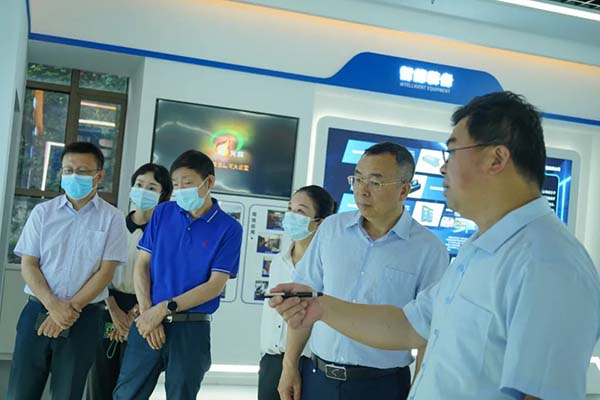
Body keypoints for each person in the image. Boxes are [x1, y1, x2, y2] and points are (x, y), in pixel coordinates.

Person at [272, 92, 600, 400]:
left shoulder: (549, 263)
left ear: (496, 158)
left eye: (453, 152)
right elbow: (409, 325)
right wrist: (322, 308)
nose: (443, 167)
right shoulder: (479, 251)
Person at [277, 142, 449, 400]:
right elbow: (304, 300)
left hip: (382, 386)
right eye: (357, 179)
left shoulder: (428, 249)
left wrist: (418, 391)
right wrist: (289, 365)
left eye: (375, 182)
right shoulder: (331, 229)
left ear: (404, 190)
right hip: (319, 379)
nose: (362, 190)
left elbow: (429, 330)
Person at [113, 150, 243, 400]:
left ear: (209, 182)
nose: (181, 189)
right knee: (126, 394)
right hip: (148, 321)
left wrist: (162, 310)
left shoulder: (229, 228)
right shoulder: (163, 213)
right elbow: (142, 265)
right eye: (176, 184)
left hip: (190, 328)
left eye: (188, 183)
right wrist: (148, 312)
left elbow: (215, 285)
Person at [7, 142, 128, 400]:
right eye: (68, 170)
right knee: (20, 392)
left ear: (99, 175)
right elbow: (29, 264)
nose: (74, 176)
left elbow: (105, 274)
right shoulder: (43, 212)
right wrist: (54, 307)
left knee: (68, 393)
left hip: (84, 318)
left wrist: (68, 311)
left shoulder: (112, 218)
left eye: (82, 171)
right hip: (38, 311)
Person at [85, 163, 173, 399]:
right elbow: (96, 271)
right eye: (139, 185)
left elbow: (166, 276)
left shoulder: (166, 233)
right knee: (100, 378)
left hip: (145, 310)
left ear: (163, 194)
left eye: (151, 188)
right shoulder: (114, 226)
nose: (143, 191)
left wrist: (138, 311)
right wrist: (114, 311)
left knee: (133, 381)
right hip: (108, 304)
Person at [259, 185, 337, 400]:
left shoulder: (328, 265)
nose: (292, 216)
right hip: (272, 360)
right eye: (290, 209)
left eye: (300, 211)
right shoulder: (279, 261)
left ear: (319, 222)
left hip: (309, 363)